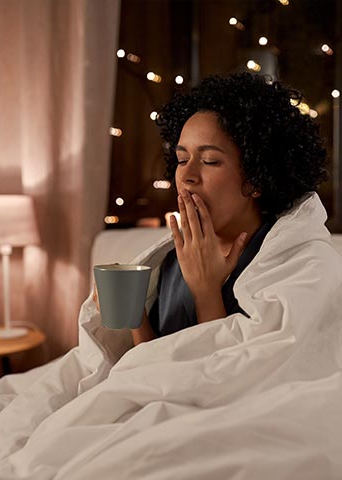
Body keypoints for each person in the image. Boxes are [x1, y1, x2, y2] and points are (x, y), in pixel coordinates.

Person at [129, 72, 327, 345]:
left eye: (210, 161)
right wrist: (134, 318)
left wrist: (206, 292)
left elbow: (237, 379)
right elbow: (154, 369)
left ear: (256, 178)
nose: (187, 175)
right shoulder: (175, 259)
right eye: (182, 158)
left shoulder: (294, 264)